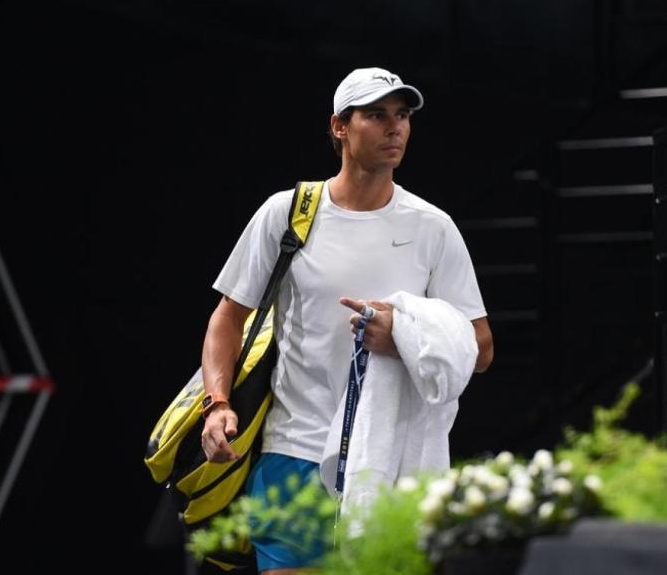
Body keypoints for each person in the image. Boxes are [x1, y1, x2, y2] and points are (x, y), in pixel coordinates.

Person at [199, 66, 494, 574]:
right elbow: (227, 318)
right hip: (295, 451)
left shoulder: (433, 228)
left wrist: (402, 334)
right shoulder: (287, 213)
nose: (394, 127)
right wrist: (217, 403)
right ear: (339, 127)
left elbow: (480, 348)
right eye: (376, 115)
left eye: (401, 116)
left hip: (392, 464)